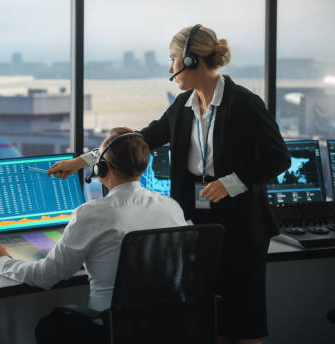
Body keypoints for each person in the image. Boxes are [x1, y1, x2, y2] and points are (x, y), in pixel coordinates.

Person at [47, 25, 290, 344]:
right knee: (207, 318)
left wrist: (230, 183)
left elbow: (278, 158)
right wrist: (80, 162)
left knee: (243, 323)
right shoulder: (184, 106)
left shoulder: (244, 103)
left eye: (173, 59)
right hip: (197, 220)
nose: (171, 67)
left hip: (242, 223)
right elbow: (136, 139)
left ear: (191, 60)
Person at [0, 127, 187, 343]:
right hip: (167, 327)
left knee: (49, 326)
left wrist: (2, 262)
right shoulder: (171, 207)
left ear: (103, 168)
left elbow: (45, 276)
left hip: (110, 329)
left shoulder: (91, 214)